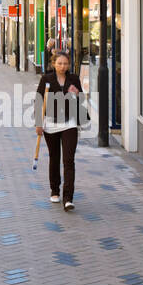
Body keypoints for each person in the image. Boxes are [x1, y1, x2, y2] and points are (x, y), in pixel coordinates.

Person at [36, 50, 83, 212]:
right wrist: (38, 123)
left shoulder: (74, 79)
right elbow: (39, 101)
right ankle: (55, 189)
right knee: (54, 158)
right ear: (54, 64)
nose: (63, 66)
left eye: (65, 63)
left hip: (69, 123)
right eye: (60, 63)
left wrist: (77, 94)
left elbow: (82, 100)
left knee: (69, 160)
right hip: (51, 124)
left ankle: (68, 198)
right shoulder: (46, 79)